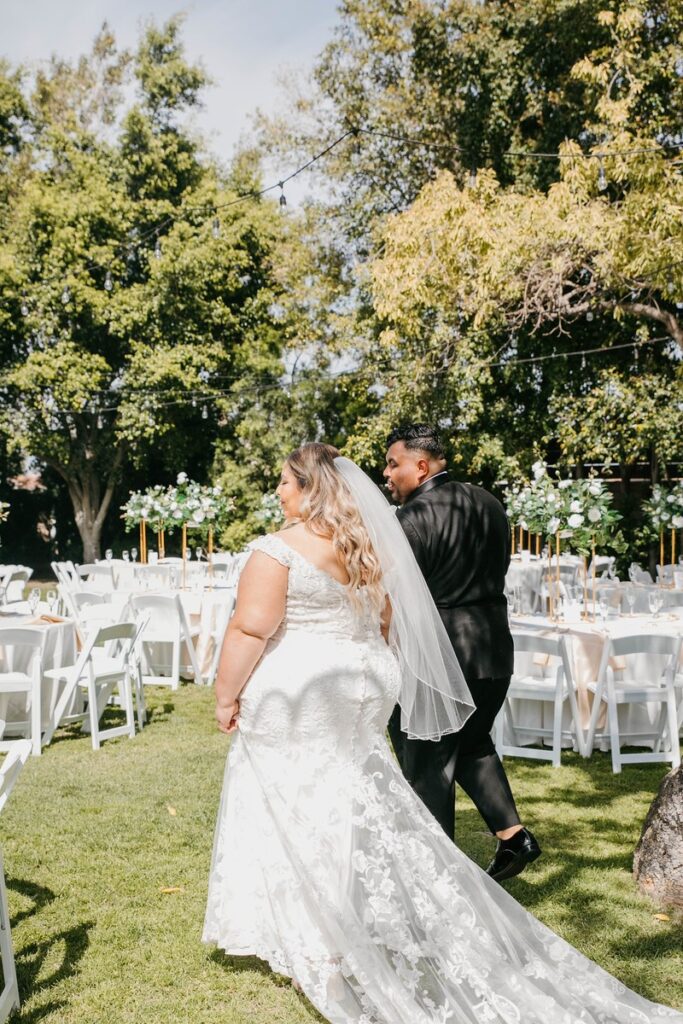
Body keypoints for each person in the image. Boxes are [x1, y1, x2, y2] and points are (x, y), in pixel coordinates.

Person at [203, 442, 682, 1024]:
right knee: (350, 789)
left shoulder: (277, 549)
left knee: (296, 793)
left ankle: (314, 926)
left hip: (307, 687)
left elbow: (250, 629)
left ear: (310, 488)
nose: (277, 492)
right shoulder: (370, 544)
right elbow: (383, 621)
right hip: (370, 678)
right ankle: (354, 904)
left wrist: (227, 695)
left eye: (284, 482)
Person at [384, 423, 539, 882]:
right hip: (493, 650)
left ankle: (437, 880)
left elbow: (396, 595)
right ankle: (514, 838)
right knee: (471, 743)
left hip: (441, 658)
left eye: (394, 464)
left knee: (428, 764)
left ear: (422, 465)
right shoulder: (490, 503)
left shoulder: (409, 521)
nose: (387, 474)